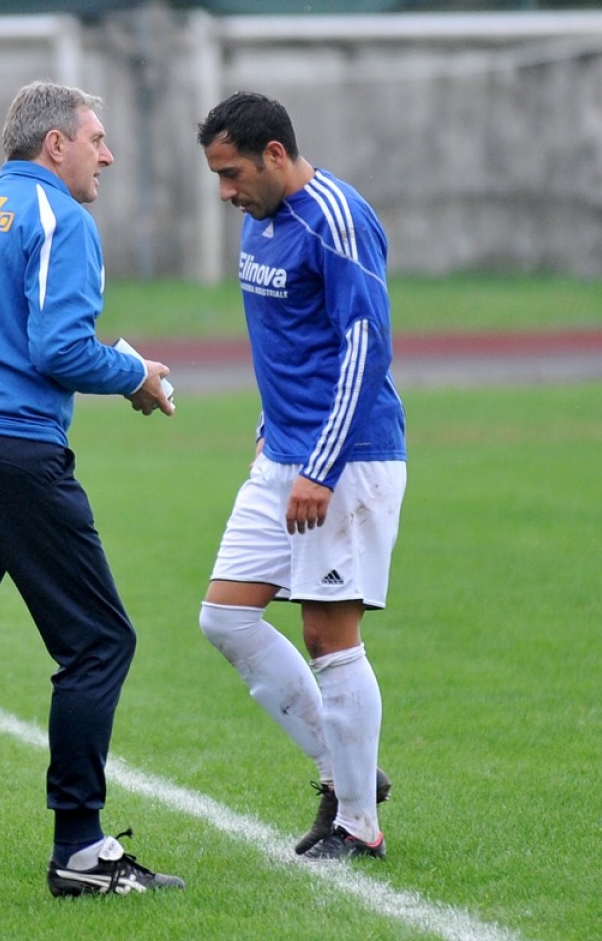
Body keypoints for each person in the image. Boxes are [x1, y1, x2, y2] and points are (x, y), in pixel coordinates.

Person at [0, 80, 183, 902]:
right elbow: (59, 348)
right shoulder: (61, 219)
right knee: (98, 642)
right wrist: (138, 374)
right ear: (55, 145)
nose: (107, 155)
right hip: (11, 456)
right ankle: (80, 850)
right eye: (96, 139)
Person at [194, 92, 407, 861]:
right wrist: (270, 430)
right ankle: (346, 771)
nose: (226, 193)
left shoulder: (337, 218)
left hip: (346, 459)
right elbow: (292, 341)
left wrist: (317, 465)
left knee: (328, 635)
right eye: (218, 176)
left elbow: (363, 345)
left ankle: (357, 822)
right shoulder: (263, 220)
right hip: (284, 453)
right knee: (225, 617)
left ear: (276, 155)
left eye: (233, 173)